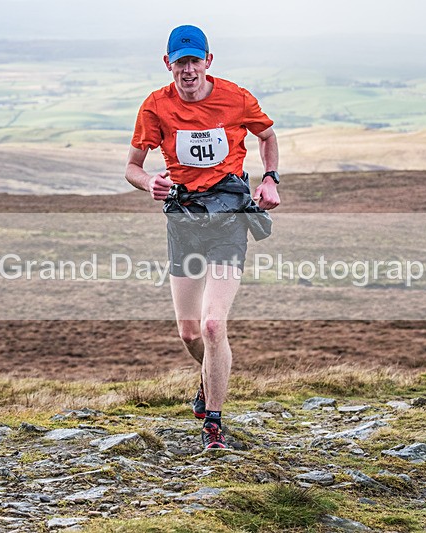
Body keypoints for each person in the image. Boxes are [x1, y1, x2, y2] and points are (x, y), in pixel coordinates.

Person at [125, 24, 280, 450]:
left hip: (229, 218)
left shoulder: (236, 97)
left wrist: (269, 180)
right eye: (180, 63)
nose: (188, 70)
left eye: (195, 61)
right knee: (190, 334)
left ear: (208, 61)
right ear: (168, 64)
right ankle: (210, 375)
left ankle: (213, 423)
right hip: (184, 221)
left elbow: (266, 136)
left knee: (214, 325)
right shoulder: (156, 106)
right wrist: (149, 183)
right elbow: (133, 168)